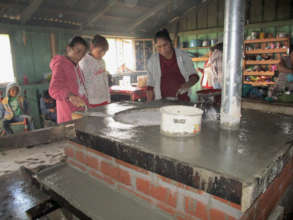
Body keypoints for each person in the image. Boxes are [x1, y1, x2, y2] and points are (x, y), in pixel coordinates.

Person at [146, 29, 199, 102]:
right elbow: (150, 86)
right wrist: (149, 105)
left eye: (165, 45)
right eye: (159, 47)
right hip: (161, 101)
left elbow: (194, 76)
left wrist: (187, 84)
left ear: (170, 42)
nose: (162, 49)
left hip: (183, 100)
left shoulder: (183, 56)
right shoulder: (152, 61)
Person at [49, 36, 88, 123]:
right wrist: (70, 96)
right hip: (68, 115)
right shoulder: (60, 65)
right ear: (68, 49)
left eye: (83, 53)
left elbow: (81, 89)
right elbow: (54, 89)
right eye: (78, 51)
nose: (80, 55)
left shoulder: (77, 67)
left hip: (80, 113)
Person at [79, 34, 110, 108]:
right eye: (99, 52)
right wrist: (85, 101)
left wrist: (108, 98)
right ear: (92, 47)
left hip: (104, 99)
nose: (102, 54)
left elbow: (105, 81)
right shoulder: (84, 61)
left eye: (104, 52)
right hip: (91, 101)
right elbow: (81, 83)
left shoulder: (102, 61)